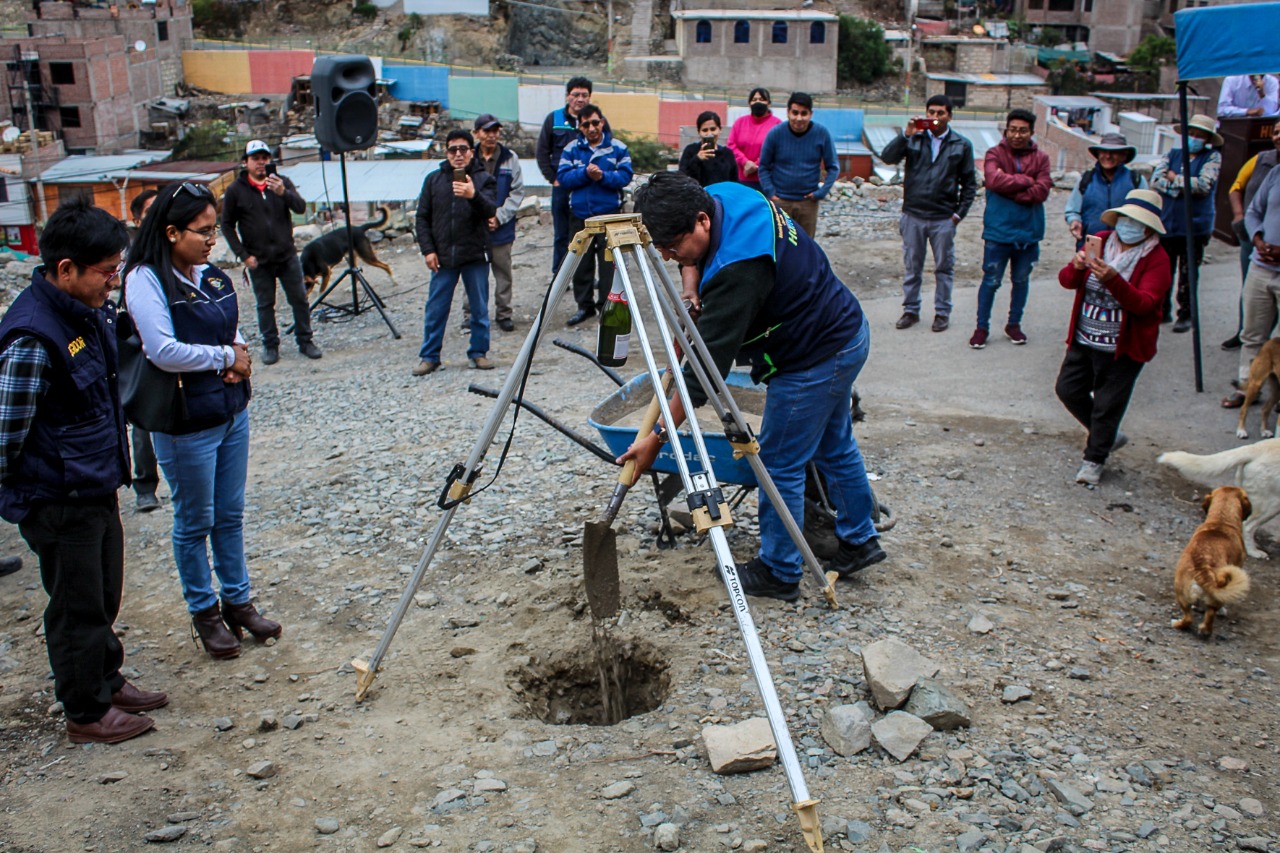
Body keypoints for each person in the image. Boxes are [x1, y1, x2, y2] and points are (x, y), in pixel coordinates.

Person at [621, 173, 885, 602]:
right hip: (844, 329)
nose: (668, 257)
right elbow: (693, 259)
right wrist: (691, 297)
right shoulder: (725, 194)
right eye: (661, 248)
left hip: (813, 355)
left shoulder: (739, 270)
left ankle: (779, 571)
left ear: (702, 221)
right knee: (834, 444)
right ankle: (859, 540)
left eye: (671, 246)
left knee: (779, 463)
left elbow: (703, 374)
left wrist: (657, 438)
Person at [0, 199, 166, 743]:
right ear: (65, 269)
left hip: (93, 482)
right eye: (106, 272)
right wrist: (30, 498)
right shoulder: (31, 335)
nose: (112, 283)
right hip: (59, 496)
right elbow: (5, 435)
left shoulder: (82, 311)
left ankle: (108, 678)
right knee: (75, 606)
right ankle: (86, 712)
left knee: (102, 593)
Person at [124, 182, 281, 660]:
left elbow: (232, 326)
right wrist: (223, 358)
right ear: (171, 232)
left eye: (214, 230)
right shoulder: (144, 279)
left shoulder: (210, 274)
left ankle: (238, 601)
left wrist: (237, 355)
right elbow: (163, 350)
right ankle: (205, 612)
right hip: (186, 421)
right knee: (195, 521)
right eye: (203, 232)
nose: (212, 240)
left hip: (231, 412)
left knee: (229, 515)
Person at [1055, 189, 1171, 487]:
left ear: (1148, 228)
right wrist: (1076, 266)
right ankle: (1107, 436)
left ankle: (1094, 459)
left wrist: (1112, 279)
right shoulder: (1101, 240)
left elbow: (1145, 304)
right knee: (1068, 389)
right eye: (1125, 218)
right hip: (1086, 336)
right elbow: (1067, 281)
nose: (1128, 225)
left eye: (1136, 221)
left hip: (1124, 346)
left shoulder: (1156, 258)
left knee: (1108, 404)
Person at [880, 94, 977, 333]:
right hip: (913, 214)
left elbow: (969, 183)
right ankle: (911, 310)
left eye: (940, 113)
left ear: (949, 116)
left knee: (944, 268)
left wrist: (958, 215)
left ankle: (942, 312)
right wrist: (906, 135)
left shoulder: (961, 145)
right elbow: (887, 157)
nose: (934, 118)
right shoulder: (914, 139)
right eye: (931, 113)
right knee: (912, 266)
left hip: (943, 217)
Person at [220, 139, 321, 365]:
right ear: (245, 162)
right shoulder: (236, 190)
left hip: (286, 256)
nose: (261, 163)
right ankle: (270, 345)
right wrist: (243, 255)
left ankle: (305, 341)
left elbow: (300, 207)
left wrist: (283, 193)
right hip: (259, 260)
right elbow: (227, 225)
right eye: (255, 159)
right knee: (265, 304)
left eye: (264, 158)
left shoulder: (281, 182)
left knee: (299, 300)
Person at [413, 129, 498, 375]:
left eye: (463, 149)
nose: (458, 154)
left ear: (472, 152)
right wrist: (428, 250)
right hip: (443, 257)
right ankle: (429, 356)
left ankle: (479, 353)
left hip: (475, 255)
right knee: (436, 309)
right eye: (453, 149)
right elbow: (422, 218)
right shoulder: (433, 180)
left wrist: (473, 195)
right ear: (447, 153)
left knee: (479, 308)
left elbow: (490, 209)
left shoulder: (483, 179)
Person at [970, 108, 1052, 349]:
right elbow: (993, 180)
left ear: (1031, 132)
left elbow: (1042, 190)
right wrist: (1027, 180)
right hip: (998, 231)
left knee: (1021, 280)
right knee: (991, 281)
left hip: (1029, 232)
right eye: (1013, 130)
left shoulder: (1042, 158)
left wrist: (1014, 189)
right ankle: (981, 328)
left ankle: (1014, 324)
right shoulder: (994, 153)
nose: (1017, 135)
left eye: (1023, 131)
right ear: (1006, 130)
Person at [557, 104, 634, 327]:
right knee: (581, 262)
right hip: (580, 215)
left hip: (610, 215)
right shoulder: (571, 149)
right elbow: (563, 178)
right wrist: (584, 173)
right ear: (579, 126)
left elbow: (625, 176)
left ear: (602, 122)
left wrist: (602, 177)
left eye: (595, 122)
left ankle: (606, 307)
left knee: (609, 263)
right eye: (586, 124)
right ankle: (584, 306)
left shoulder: (618, 148)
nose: (591, 128)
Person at [1149, 113, 1222, 333]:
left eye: (1200, 135)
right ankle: (1163, 309)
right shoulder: (1173, 154)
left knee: (1189, 272)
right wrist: (1182, 185)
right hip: (1168, 223)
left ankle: (1186, 313)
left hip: (1196, 225)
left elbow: (1203, 185)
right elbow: (1156, 180)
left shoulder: (1212, 158)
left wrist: (1175, 179)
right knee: (1164, 269)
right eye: (1192, 133)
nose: (1195, 138)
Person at [1222, 117, 1280, 352]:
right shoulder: (1262, 161)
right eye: (1276, 132)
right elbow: (1236, 187)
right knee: (1251, 288)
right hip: (1254, 238)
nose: (1278, 136)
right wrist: (1241, 218)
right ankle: (1245, 331)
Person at [535, 77, 604, 275]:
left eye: (584, 95)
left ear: (590, 97)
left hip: (588, 188)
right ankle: (560, 275)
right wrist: (553, 178)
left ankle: (586, 276)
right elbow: (541, 151)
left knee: (589, 233)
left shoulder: (595, 120)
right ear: (567, 96)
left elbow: (606, 148)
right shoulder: (554, 119)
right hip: (563, 186)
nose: (580, 99)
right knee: (562, 234)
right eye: (576, 95)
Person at [757, 92, 838, 238]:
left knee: (806, 246)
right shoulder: (775, 134)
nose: (799, 118)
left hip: (807, 203)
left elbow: (833, 167)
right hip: (780, 201)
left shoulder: (822, 134)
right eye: (795, 113)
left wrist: (821, 192)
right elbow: (763, 166)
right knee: (779, 244)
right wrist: (771, 193)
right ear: (788, 112)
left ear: (810, 114)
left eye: (804, 113)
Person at [1233, 161, 1280, 408]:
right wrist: (1258, 238)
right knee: (1251, 333)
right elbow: (1253, 211)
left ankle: (1277, 396)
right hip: (1261, 266)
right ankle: (1247, 387)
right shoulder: (1275, 173)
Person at [474, 113, 525, 333]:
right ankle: (473, 314)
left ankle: (504, 313)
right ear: (477, 134)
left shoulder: (509, 158)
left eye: (495, 131)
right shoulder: (469, 158)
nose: (491, 136)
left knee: (503, 273)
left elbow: (517, 192)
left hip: (502, 229)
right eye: (487, 131)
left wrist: (500, 216)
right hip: (475, 229)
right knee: (474, 274)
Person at [128, 189, 162, 512]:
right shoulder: (133, 257)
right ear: (137, 219)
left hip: (179, 341)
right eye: (150, 210)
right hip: (144, 343)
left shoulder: (178, 245)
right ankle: (145, 484)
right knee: (143, 418)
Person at [1064, 133, 1147, 250]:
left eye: (1114, 152)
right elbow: (1072, 210)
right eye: (1103, 151)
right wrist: (1075, 221)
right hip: (1092, 244)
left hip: (1125, 246)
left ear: (1124, 155)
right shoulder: (1086, 179)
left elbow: (1145, 214)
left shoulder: (1136, 180)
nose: (1107, 156)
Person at [726, 87, 782, 194]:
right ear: (749, 103)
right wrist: (745, 162)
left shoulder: (777, 125)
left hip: (767, 181)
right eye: (754, 100)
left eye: (761, 99)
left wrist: (756, 165)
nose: (758, 102)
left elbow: (778, 150)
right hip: (741, 179)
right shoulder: (739, 123)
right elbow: (731, 145)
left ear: (769, 103)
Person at [677, 110, 737, 188]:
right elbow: (682, 177)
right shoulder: (690, 151)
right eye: (705, 130)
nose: (709, 134)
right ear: (699, 132)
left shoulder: (727, 153)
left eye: (713, 129)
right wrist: (697, 159)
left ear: (719, 130)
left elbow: (734, 181)